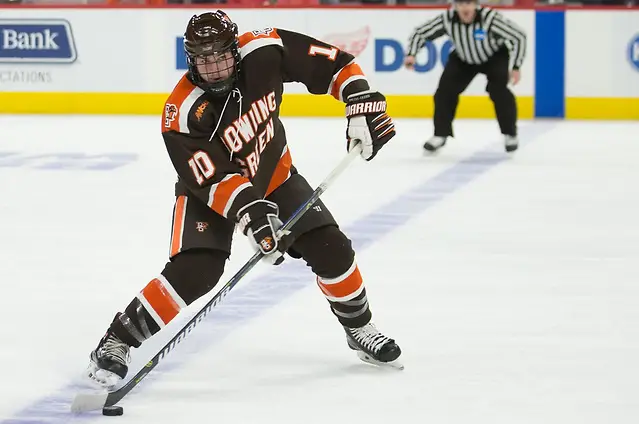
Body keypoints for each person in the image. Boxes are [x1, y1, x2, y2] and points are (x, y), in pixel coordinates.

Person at [85, 10, 401, 389]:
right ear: (190, 59)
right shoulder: (182, 112)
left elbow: (335, 64)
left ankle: (360, 328)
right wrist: (253, 216)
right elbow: (212, 178)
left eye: (220, 56)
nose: (214, 68)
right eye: (203, 60)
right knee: (197, 272)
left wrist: (359, 101)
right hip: (208, 194)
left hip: (274, 176)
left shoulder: (265, 50)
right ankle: (117, 340)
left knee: (333, 249)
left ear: (235, 50)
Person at [405, 0, 527, 153]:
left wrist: (516, 66)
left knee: (499, 91)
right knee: (444, 92)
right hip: (464, 59)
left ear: (476, 5)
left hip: (494, 56)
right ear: (455, 6)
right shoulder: (448, 19)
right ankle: (440, 134)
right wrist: (411, 54)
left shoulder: (489, 18)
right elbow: (421, 33)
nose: (465, 8)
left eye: (468, 3)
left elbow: (519, 36)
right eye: (460, 4)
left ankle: (510, 133)